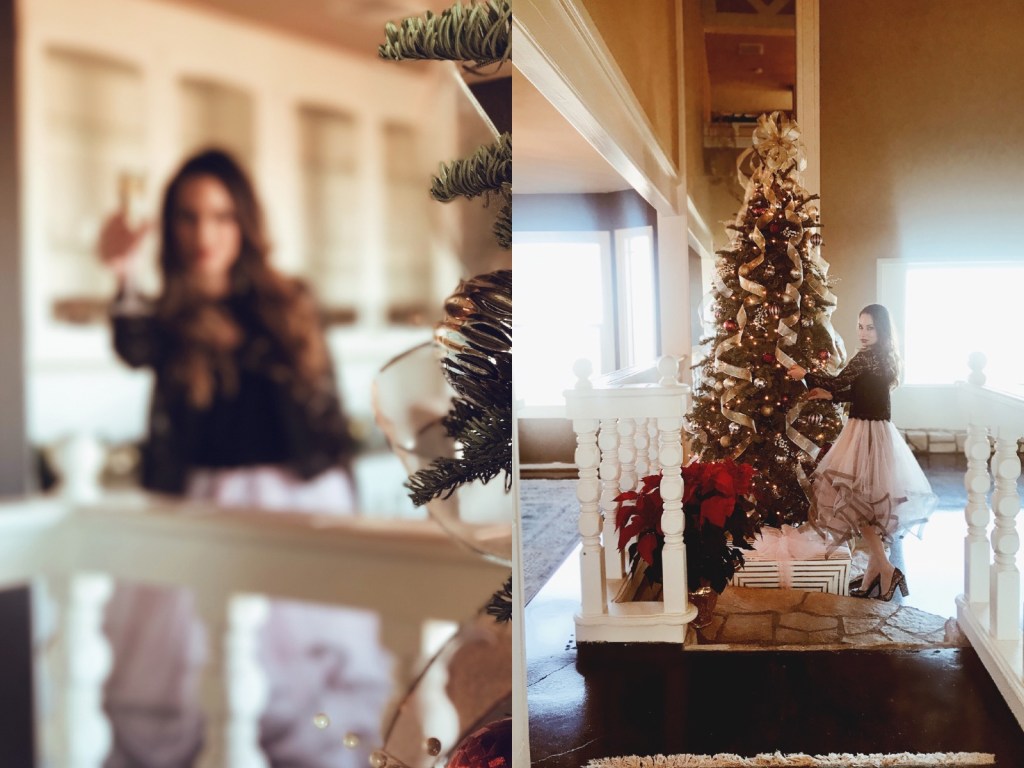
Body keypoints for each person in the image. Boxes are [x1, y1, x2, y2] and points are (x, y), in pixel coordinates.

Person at [97, 148, 392, 768]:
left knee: (306, 673)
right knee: (195, 668)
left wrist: (346, 508)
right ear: (171, 227)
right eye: (187, 217)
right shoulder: (170, 318)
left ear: (244, 224)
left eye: (221, 216)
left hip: (297, 499)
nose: (203, 233)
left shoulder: (290, 302)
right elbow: (132, 344)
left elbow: (325, 415)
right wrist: (123, 271)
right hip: (202, 508)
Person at [787, 304, 936, 602]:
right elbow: (859, 392)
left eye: (870, 328)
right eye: (860, 326)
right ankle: (875, 572)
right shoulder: (884, 357)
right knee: (867, 503)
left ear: (881, 330)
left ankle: (887, 569)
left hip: (864, 434)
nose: (864, 333)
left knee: (858, 502)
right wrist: (831, 395)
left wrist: (806, 375)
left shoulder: (866, 357)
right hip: (878, 432)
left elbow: (838, 381)